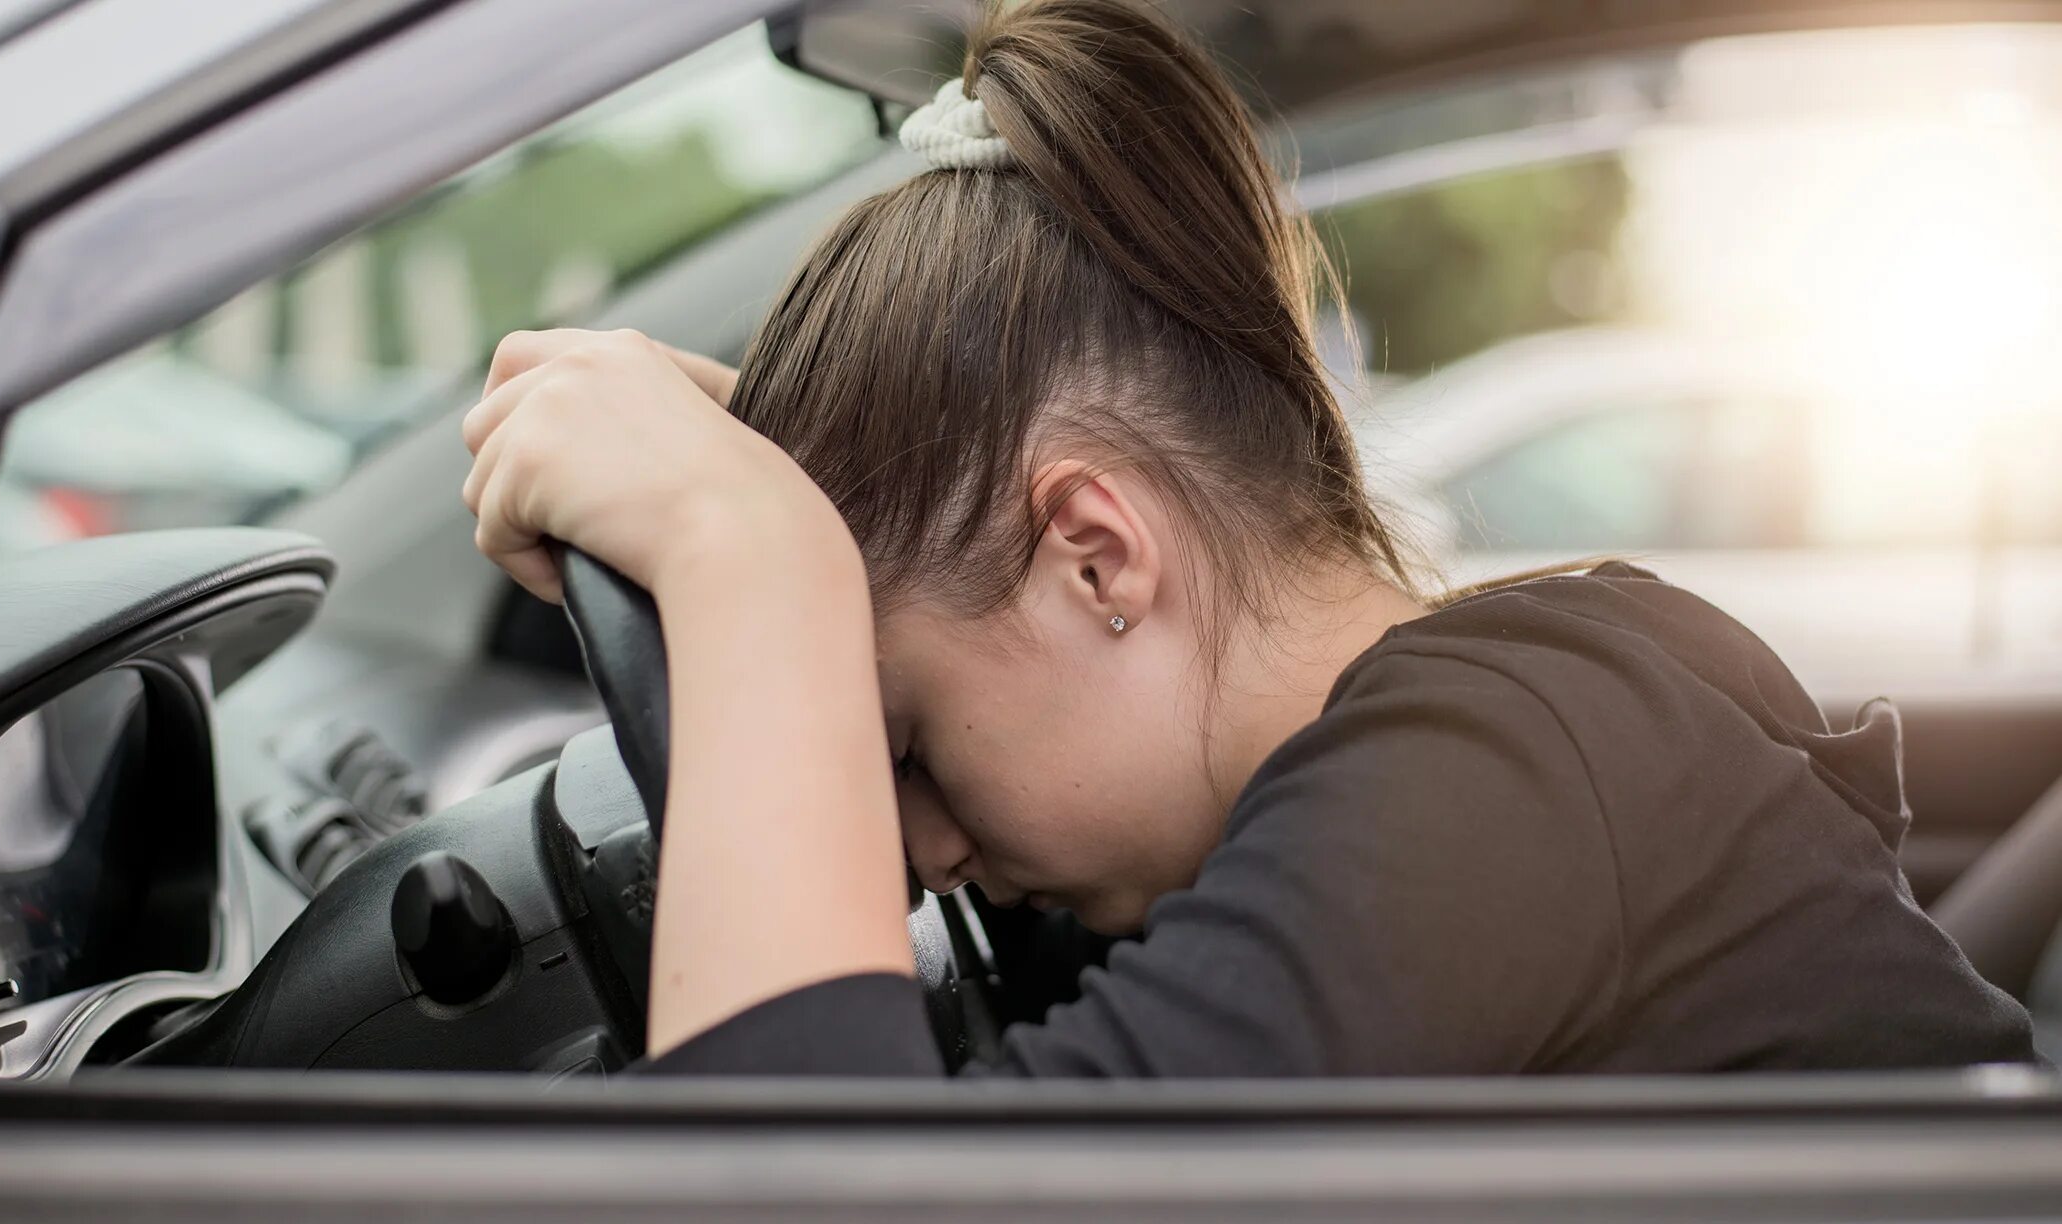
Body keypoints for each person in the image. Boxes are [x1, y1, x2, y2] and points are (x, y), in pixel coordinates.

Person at [458, 0, 2036, 1075]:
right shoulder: (1473, 756)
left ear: (1097, 554)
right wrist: (797, 516)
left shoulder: (1501, 780)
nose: (915, 850)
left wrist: (758, 567)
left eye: (909, 743)